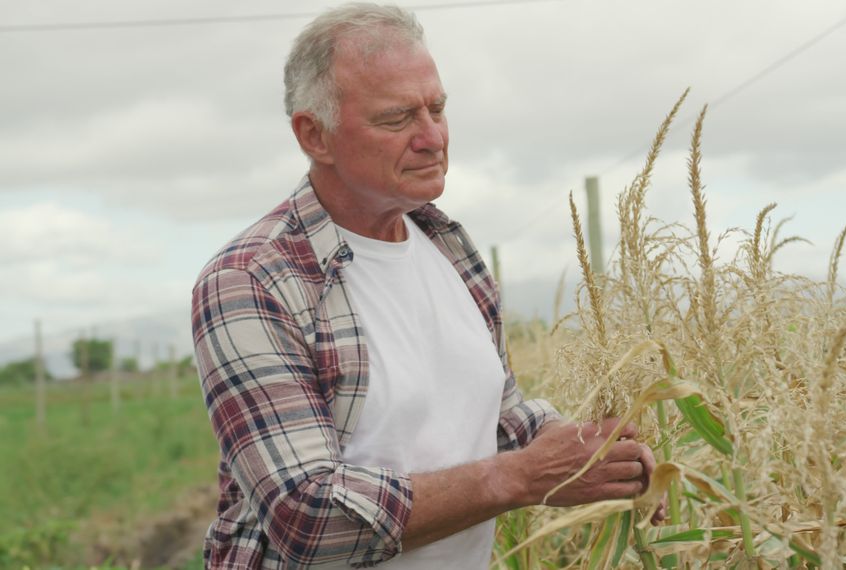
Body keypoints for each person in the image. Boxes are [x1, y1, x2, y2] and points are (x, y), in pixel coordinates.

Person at [191, 3, 662, 568]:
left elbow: (496, 418)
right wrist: (519, 478)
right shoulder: (252, 281)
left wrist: (588, 452)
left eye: (437, 109)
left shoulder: (446, 246)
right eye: (396, 119)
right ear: (314, 135)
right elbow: (308, 519)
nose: (432, 137)